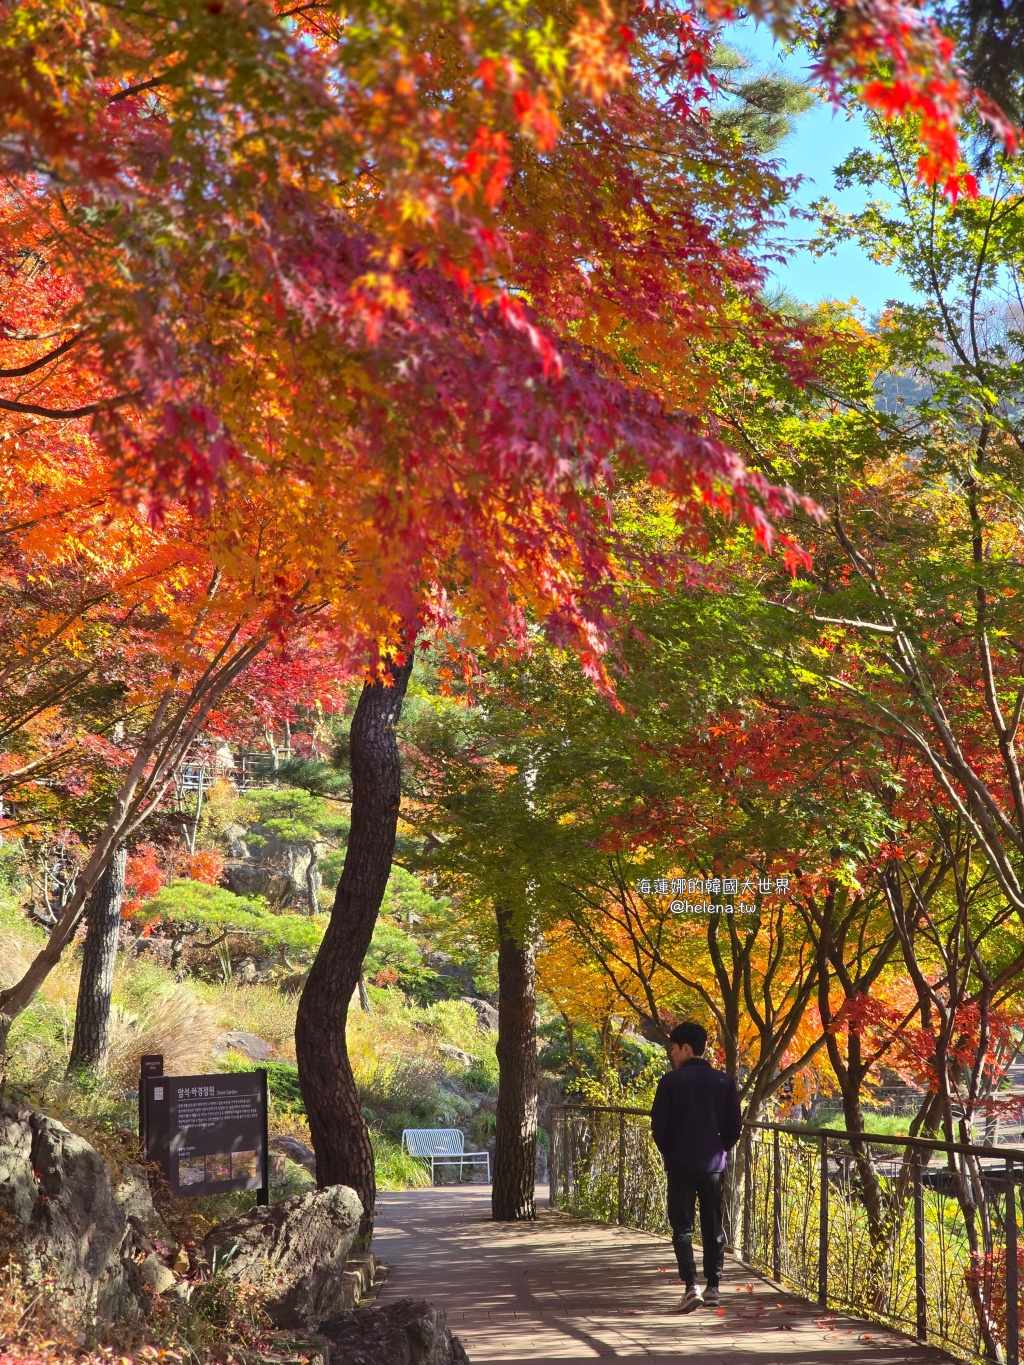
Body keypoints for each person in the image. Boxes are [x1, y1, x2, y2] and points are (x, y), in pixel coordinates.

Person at [650, 1020, 742, 1314]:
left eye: (674, 1048)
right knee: (713, 1226)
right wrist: (720, 1149)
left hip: (679, 1164)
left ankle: (691, 1286)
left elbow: (659, 1126)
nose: (672, 1054)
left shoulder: (669, 1083)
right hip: (713, 1165)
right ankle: (714, 1286)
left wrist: (670, 1151)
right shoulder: (724, 1082)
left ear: (686, 1048)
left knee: (682, 1227)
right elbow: (734, 1127)